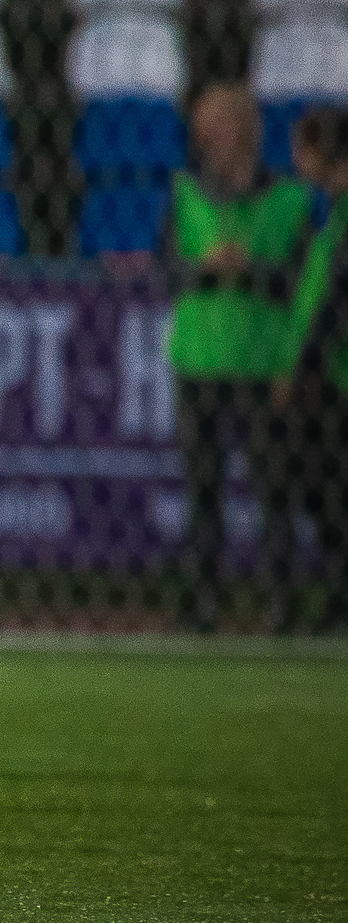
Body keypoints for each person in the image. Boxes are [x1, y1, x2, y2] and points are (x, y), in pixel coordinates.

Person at [167, 83, 312, 632]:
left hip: (261, 360)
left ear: (249, 133)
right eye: (208, 132)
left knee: (272, 488)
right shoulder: (184, 193)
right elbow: (168, 271)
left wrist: (251, 270)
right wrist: (204, 267)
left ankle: (282, 602)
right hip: (199, 357)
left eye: (226, 130)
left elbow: (304, 279)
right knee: (202, 490)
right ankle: (203, 602)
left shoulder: (288, 200)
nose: (215, 142)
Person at [274, 107, 348, 634]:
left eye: (303, 149)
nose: (296, 160)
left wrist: (301, 367)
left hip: (332, 375)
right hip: (325, 370)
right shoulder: (332, 212)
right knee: (316, 485)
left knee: (321, 484)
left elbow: (335, 301)